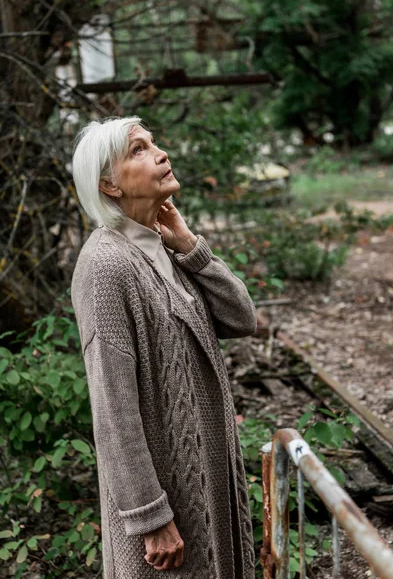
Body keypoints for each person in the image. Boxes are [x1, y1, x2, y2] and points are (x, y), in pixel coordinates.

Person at [70, 116, 257, 579]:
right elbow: (113, 411)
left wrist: (192, 247)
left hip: (206, 480)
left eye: (154, 143)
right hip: (167, 500)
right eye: (138, 149)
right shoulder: (106, 265)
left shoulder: (162, 248)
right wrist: (149, 517)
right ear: (109, 185)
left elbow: (241, 318)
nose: (160, 153)